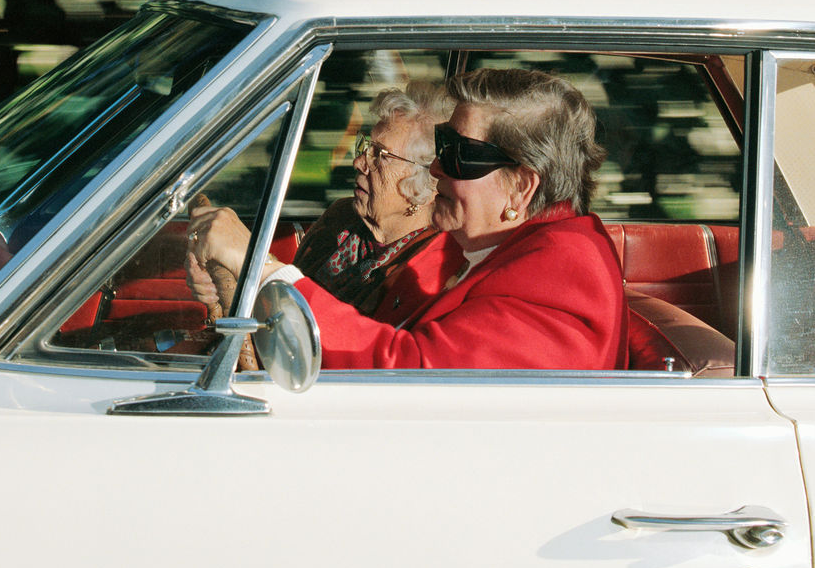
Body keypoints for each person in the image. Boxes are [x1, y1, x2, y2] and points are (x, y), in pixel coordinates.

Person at [195, 67, 626, 370]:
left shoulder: (563, 272)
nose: (435, 169)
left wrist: (263, 271)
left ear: (521, 187)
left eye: (457, 155)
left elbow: (410, 370)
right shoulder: (501, 253)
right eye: (441, 146)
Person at [184, 83, 452, 316]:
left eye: (380, 155)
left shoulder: (429, 268)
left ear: (427, 181)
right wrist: (225, 288)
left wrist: (252, 263)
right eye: (365, 147)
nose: (359, 162)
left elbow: (349, 345)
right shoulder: (342, 217)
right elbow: (284, 306)